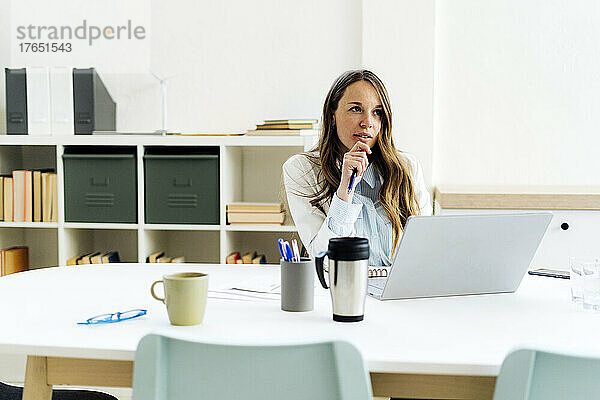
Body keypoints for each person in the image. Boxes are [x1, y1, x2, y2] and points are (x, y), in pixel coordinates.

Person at [282, 70, 432, 266]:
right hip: (342, 288)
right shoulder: (302, 169)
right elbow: (325, 259)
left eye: (377, 112)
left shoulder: (407, 168)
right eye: (355, 109)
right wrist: (346, 189)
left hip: (399, 291)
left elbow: (425, 249)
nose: (367, 123)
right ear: (332, 115)